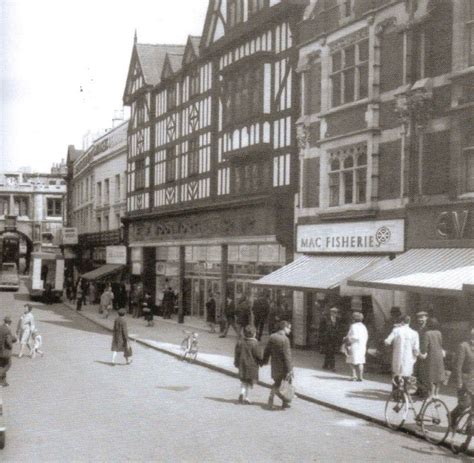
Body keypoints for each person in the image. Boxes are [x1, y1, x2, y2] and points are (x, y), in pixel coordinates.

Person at [263, 320, 293, 410]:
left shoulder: (272, 337)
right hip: (283, 367)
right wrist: (290, 369)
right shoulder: (285, 339)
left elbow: (267, 350)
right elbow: (287, 356)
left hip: (275, 365)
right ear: (284, 328)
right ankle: (284, 402)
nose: (290, 330)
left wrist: (265, 360)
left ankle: (271, 399)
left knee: (277, 383)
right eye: (289, 328)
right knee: (286, 383)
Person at [384, 315, 420, 382]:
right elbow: (416, 349)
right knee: (406, 375)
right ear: (409, 322)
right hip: (409, 358)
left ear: (401, 322)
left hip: (397, 357)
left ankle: (395, 390)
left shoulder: (396, 330)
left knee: (396, 375)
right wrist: (416, 356)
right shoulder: (414, 333)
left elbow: (387, 341)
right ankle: (405, 390)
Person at [234, 325, 263, 404]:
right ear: (254, 334)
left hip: (242, 364)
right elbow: (258, 355)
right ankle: (246, 397)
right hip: (252, 366)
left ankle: (242, 393)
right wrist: (261, 362)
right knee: (249, 381)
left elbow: (236, 354)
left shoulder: (240, 342)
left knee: (244, 381)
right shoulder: (255, 343)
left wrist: (236, 363)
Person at [418, 318, 445, 398]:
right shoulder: (439, 333)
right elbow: (441, 343)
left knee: (430, 375)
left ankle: (431, 394)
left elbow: (425, 346)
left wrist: (422, 353)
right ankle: (437, 394)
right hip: (439, 355)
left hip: (431, 356)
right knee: (438, 374)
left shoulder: (427, 333)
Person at [343, 312, 368, 381]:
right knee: (360, 361)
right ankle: (360, 376)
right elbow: (366, 336)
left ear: (354, 319)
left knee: (351, 360)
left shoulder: (353, 326)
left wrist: (347, 338)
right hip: (362, 346)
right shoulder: (363, 326)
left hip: (355, 346)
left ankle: (354, 375)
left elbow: (354, 336)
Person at [319, 307, 343, 372]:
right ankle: (332, 366)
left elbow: (339, 328)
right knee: (331, 352)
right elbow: (321, 329)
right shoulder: (325, 319)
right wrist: (321, 337)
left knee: (329, 352)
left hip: (334, 338)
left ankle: (325, 365)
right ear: (331, 312)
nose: (335, 313)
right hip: (327, 338)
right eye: (334, 312)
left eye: (336, 312)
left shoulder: (338, 319)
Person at [414, 310, 429, 397]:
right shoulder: (416, 328)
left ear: (426, 318)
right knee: (417, 373)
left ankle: (425, 392)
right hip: (417, 353)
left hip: (425, 354)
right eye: (419, 318)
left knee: (424, 373)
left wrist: (425, 353)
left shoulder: (427, 329)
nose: (420, 319)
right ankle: (418, 390)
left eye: (422, 317)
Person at [0, 316, 17, 387]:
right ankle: (0, 375)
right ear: (9, 322)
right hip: (5, 351)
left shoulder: (0, 328)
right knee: (8, 364)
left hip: (0, 350)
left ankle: (3, 382)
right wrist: (14, 340)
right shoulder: (7, 330)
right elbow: (8, 341)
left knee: (2, 365)